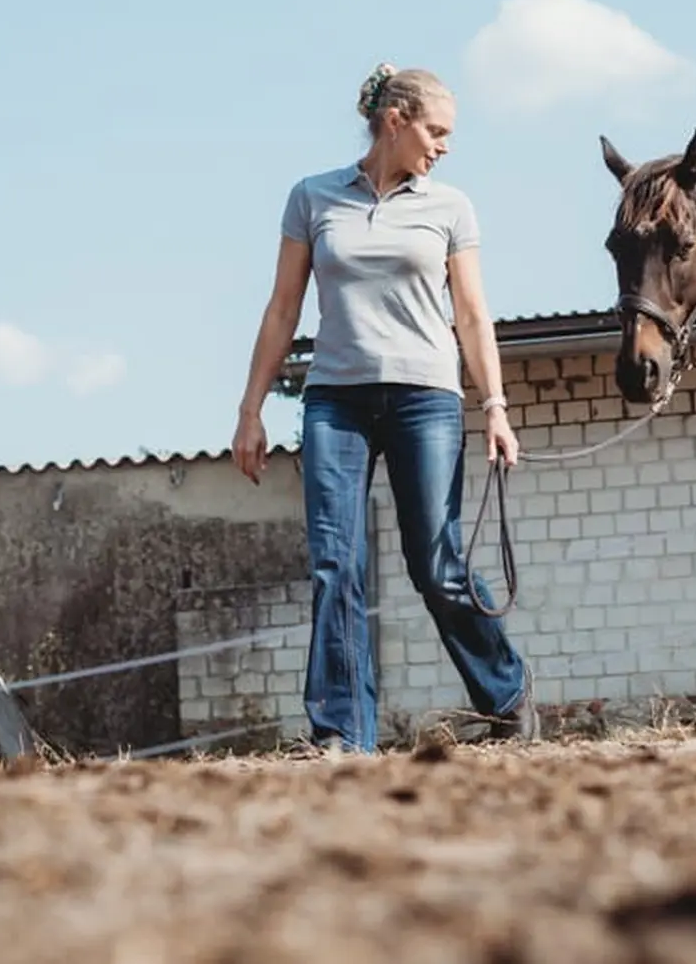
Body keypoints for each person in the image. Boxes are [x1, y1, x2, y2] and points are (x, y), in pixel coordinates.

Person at [230, 61, 539, 754]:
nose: (445, 145)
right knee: (335, 563)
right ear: (395, 120)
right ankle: (342, 730)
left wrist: (494, 404)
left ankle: (507, 696)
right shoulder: (312, 197)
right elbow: (283, 309)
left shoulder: (450, 206)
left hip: (425, 399)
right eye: (437, 130)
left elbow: (471, 311)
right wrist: (251, 407)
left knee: (435, 562)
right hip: (334, 402)